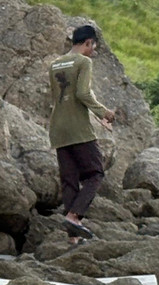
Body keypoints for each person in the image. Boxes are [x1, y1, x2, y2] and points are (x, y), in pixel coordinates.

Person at [48, 24, 115, 242]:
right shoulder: (83, 62)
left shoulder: (55, 64)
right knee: (95, 173)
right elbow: (82, 93)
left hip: (58, 128)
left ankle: (72, 237)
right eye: (93, 46)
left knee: (70, 180)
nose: (93, 51)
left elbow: (65, 98)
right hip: (78, 128)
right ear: (87, 42)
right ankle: (75, 216)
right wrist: (104, 113)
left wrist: (97, 116)